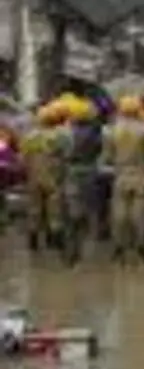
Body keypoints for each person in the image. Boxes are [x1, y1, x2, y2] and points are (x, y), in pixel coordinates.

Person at [103, 96, 144, 262]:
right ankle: (140, 246)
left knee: (119, 213)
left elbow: (107, 157)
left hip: (120, 175)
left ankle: (119, 246)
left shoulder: (112, 131)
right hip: (141, 175)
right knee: (139, 213)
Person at [20, 99, 72, 257]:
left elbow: (23, 157)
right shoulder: (60, 137)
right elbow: (67, 155)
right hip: (53, 176)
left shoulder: (29, 137)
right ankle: (54, 240)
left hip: (33, 176)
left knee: (34, 208)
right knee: (54, 210)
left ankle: (33, 241)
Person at [62, 96, 102, 263]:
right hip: (90, 172)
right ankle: (89, 241)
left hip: (71, 172)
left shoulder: (67, 134)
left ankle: (72, 251)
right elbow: (100, 151)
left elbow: (63, 154)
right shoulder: (95, 133)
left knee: (72, 212)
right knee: (90, 209)